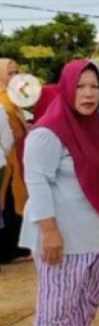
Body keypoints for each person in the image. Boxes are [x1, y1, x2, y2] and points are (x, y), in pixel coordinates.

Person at [19, 59, 99, 326]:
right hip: (64, 241)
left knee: (86, 309)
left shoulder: (96, 129)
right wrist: (49, 233)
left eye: (94, 87)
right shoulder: (47, 133)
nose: (88, 93)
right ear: (66, 89)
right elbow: (36, 182)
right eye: (80, 86)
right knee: (55, 316)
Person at [0, 58, 29, 264]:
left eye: (16, 72)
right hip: (6, 158)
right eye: (9, 73)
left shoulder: (12, 98)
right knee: (8, 200)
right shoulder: (3, 101)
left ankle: (14, 247)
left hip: (15, 157)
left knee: (14, 199)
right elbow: (8, 136)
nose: (14, 76)